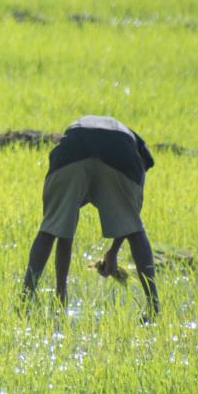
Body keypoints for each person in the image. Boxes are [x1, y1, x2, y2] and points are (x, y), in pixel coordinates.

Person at [20, 115, 159, 322]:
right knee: (136, 231)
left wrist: (111, 253)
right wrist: (114, 250)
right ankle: (154, 306)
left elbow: (64, 230)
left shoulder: (108, 130)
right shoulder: (135, 151)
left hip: (72, 150)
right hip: (119, 154)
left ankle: (26, 300)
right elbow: (130, 222)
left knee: (50, 228)